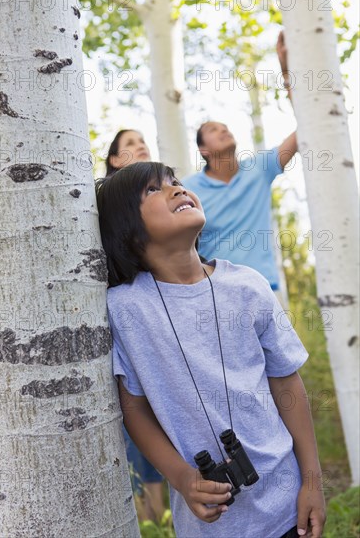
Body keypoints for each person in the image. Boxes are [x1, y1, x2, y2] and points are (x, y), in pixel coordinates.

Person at [96, 161, 326, 538]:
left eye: (175, 181)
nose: (176, 189)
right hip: (211, 527)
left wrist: (312, 482)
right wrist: (183, 478)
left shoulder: (247, 285)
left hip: (288, 510)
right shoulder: (124, 308)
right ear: (127, 229)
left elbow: (286, 383)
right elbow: (133, 406)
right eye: (153, 189)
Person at [182, 32, 296, 295]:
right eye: (213, 129)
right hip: (213, 291)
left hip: (264, 288)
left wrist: (286, 69)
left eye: (225, 127)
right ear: (203, 149)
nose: (224, 130)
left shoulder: (260, 168)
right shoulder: (188, 189)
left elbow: (307, 127)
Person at [104, 129, 165, 522]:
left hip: (156, 320)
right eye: (131, 143)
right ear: (113, 160)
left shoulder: (158, 201)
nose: (141, 145)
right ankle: (148, 518)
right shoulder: (105, 205)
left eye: (145, 141)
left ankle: (161, 515)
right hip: (121, 322)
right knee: (134, 416)